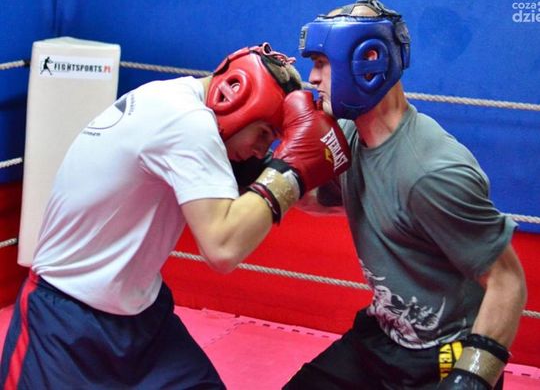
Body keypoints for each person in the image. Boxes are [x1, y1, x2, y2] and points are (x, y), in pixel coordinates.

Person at [0, 42, 351, 389]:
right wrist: (292, 171)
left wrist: (359, 195)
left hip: (143, 320)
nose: (261, 150)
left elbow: (293, 195)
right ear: (234, 94)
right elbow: (223, 248)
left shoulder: (179, 102)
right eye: (264, 134)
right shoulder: (188, 123)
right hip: (65, 321)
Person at [285, 0, 527, 390]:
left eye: (322, 63)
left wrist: (472, 377)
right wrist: (260, 171)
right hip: (381, 336)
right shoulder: (346, 133)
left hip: (446, 354)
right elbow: (321, 200)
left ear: (367, 61)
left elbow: (508, 281)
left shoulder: (433, 172)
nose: (311, 78)